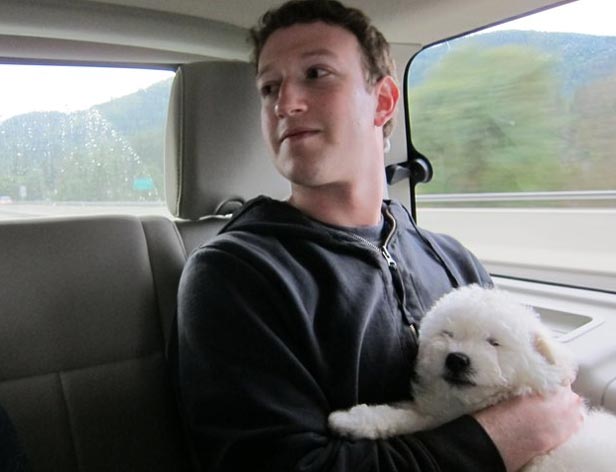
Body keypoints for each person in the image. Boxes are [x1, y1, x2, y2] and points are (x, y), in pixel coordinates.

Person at [174, 0, 584, 470]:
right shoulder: (233, 275)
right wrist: (499, 439)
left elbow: (539, 394)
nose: (285, 104)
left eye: (316, 74)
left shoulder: (452, 259)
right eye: (269, 88)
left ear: (384, 101)